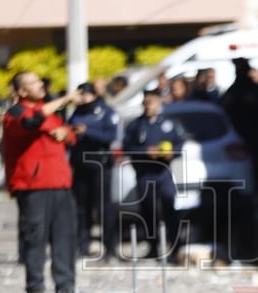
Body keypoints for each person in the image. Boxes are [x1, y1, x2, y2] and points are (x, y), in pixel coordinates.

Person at [2, 71, 79, 293]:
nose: (41, 85)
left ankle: (65, 286)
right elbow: (31, 121)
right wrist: (66, 99)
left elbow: (69, 134)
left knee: (64, 238)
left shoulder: (49, 112)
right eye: (34, 82)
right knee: (35, 239)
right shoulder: (16, 113)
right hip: (33, 186)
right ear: (22, 91)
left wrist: (66, 133)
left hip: (60, 184)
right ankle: (35, 288)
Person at [122, 88, 185, 259]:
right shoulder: (136, 125)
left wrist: (173, 153)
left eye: (153, 103)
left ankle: (175, 245)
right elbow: (127, 147)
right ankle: (152, 247)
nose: (149, 106)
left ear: (159, 103)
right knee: (148, 211)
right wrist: (145, 152)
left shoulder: (168, 123)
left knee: (169, 207)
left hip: (163, 172)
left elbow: (180, 143)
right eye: (146, 103)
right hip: (145, 173)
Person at [68, 82, 120, 260]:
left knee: (104, 208)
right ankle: (82, 245)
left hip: (100, 165)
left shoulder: (105, 111)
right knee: (82, 208)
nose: (82, 99)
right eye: (79, 95)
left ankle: (110, 248)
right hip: (80, 164)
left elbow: (110, 136)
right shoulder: (76, 112)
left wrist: (87, 131)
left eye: (85, 95)